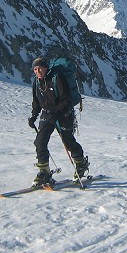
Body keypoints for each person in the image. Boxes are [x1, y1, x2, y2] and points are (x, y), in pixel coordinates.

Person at [28, 57, 89, 186]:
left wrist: (56, 112)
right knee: (40, 141)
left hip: (64, 113)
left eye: (40, 68)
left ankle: (81, 163)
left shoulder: (57, 78)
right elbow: (36, 101)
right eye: (35, 69)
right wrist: (34, 115)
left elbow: (66, 100)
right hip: (47, 114)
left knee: (67, 141)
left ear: (46, 68)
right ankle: (44, 172)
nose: (38, 71)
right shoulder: (37, 82)